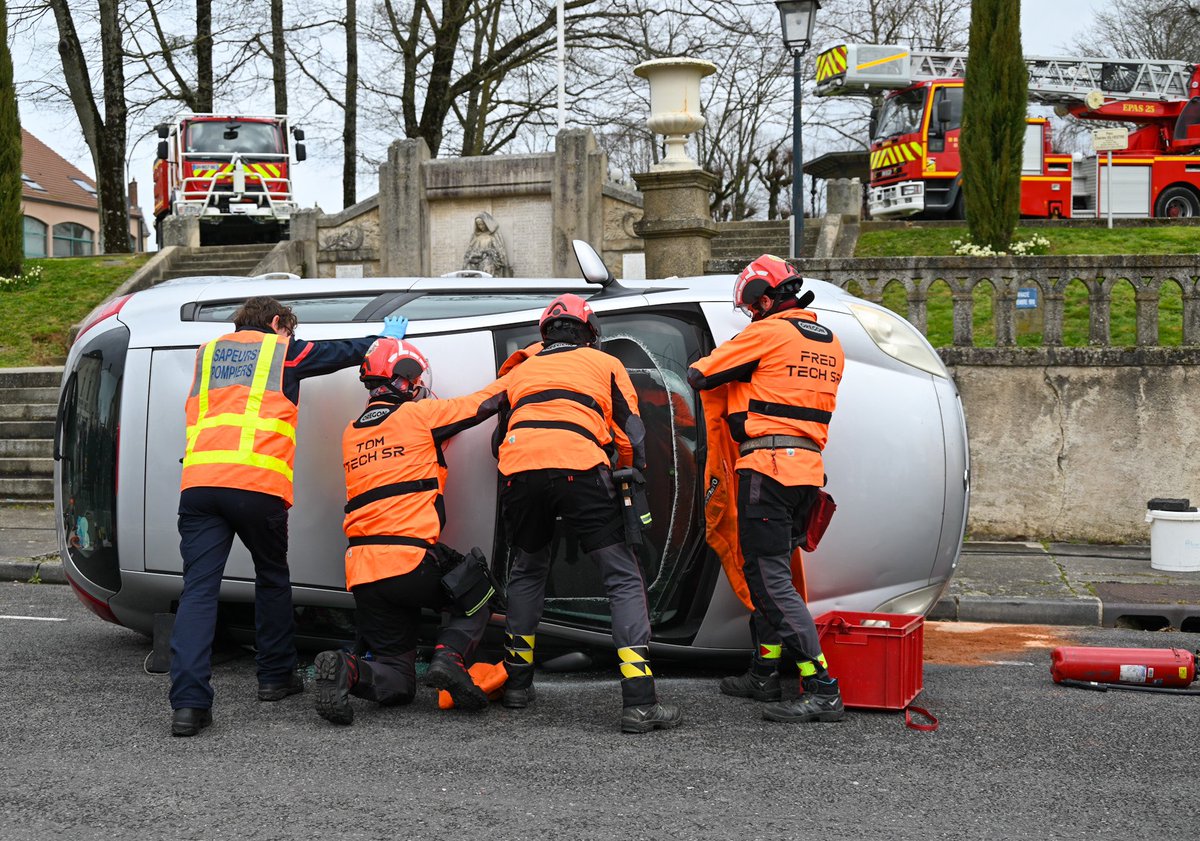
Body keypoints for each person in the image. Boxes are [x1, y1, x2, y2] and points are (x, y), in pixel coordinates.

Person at [169, 296, 404, 737]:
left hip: (200, 485)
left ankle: (188, 706)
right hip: (257, 486)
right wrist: (382, 340)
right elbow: (338, 353)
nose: (292, 338)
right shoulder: (281, 349)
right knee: (272, 577)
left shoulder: (207, 353)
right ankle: (275, 678)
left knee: (198, 591)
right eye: (289, 329)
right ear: (277, 323)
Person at [492, 293, 682, 734]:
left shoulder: (521, 368)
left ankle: (517, 685)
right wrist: (632, 478)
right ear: (590, 332)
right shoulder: (606, 364)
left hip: (520, 473)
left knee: (527, 570)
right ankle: (639, 703)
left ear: (545, 333)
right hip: (580, 469)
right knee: (621, 575)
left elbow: (498, 439)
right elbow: (632, 431)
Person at [313, 337, 510, 725]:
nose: (419, 387)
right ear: (403, 379)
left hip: (363, 572)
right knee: (478, 588)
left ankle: (347, 669)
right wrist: (526, 374)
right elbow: (482, 404)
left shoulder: (351, 433)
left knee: (398, 681)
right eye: (415, 379)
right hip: (409, 561)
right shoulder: (420, 418)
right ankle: (450, 660)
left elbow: (402, 452)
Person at [686, 255, 847, 724]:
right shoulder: (828, 341)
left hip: (768, 469)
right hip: (807, 474)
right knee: (765, 574)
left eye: (753, 305)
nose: (752, 313)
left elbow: (700, 374)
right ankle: (763, 673)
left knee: (772, 580)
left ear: (764, 298)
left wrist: (737, 360)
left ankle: (822, 687)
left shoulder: (766, 333)